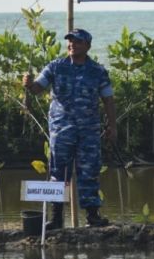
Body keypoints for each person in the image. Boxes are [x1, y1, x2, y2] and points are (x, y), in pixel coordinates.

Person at [23, 29, 117, 227]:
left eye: (78, 41)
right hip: (61, 128)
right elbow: (38, 89)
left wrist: (112, 126)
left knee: (89, 170)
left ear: (88, 46)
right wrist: (29, 85)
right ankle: (56, 218)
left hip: (89, 130)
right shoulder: (55, 67)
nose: (72, 44)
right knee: (58, 171)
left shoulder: (98, 71)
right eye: (70, 41)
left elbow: (108, 99)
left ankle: (93, 216)